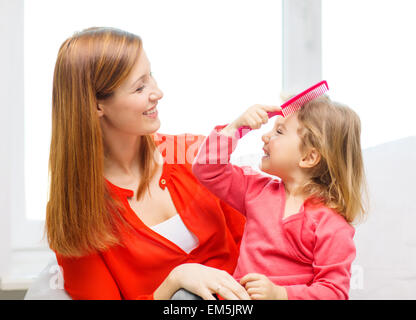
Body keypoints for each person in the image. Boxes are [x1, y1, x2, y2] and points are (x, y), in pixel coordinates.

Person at [45, 26, 251, 300]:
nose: (158, 92)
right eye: (140, 86)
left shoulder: (196, 156)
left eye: (150, 75)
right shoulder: (78, 212)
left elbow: (257, 242)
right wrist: (174, 281)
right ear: (96, 106)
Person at [192, 97, 368, 299]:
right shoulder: (255, 190)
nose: (265, 137)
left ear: (309, 157)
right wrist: (236, 128)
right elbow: (207, 169)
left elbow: (333, 292)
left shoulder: (330, 225)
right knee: (184, 297)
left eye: (279, 131)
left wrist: (280, 294)